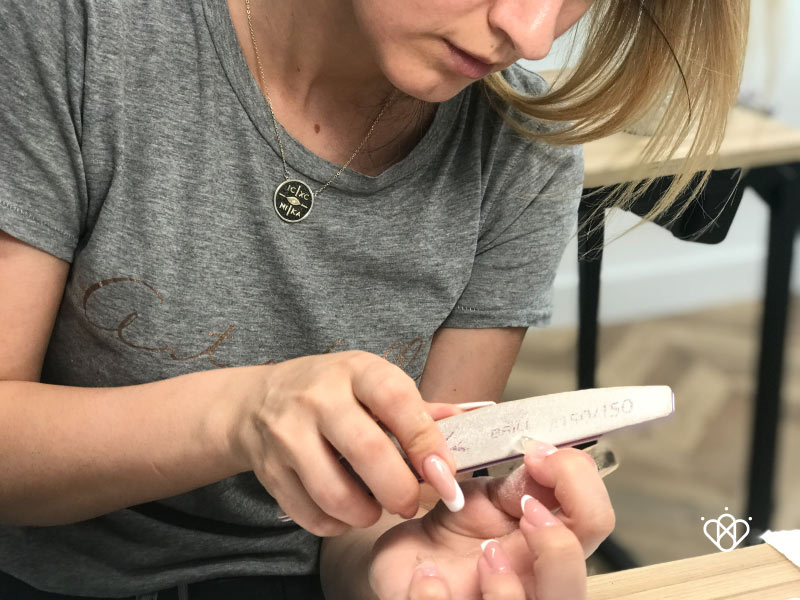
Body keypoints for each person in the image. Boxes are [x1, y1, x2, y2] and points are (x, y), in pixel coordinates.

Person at [0, 0, 748, 598]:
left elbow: (392, 510)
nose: (531, 34)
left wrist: (411, 560)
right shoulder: (75, 31)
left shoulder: (521, 150)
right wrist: (241, 414)